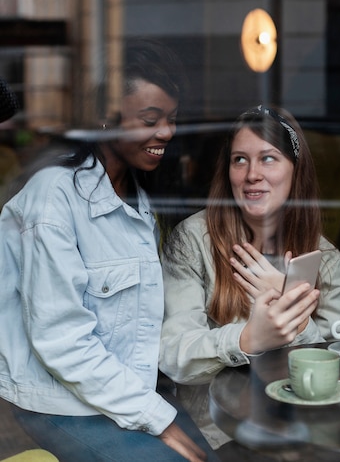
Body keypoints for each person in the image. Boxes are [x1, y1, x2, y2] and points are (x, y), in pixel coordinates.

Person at [0, 40, 219, 462]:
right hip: (58, 403)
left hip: (122, 393)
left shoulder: (141, 198)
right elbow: (62, 342)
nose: (167, 133)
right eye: (150, 119)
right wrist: (160, 420)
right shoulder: (54, 197)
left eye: (171, 119)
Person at [159, 104, 340, 453]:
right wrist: (246, 339)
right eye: (240, 160)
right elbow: (173, 355)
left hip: (303, 437)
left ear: (296, 171)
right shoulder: (193, 241)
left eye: (268, 158)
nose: (252, 174)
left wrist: (292, 313)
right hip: (220, 437)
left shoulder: (323, 257)